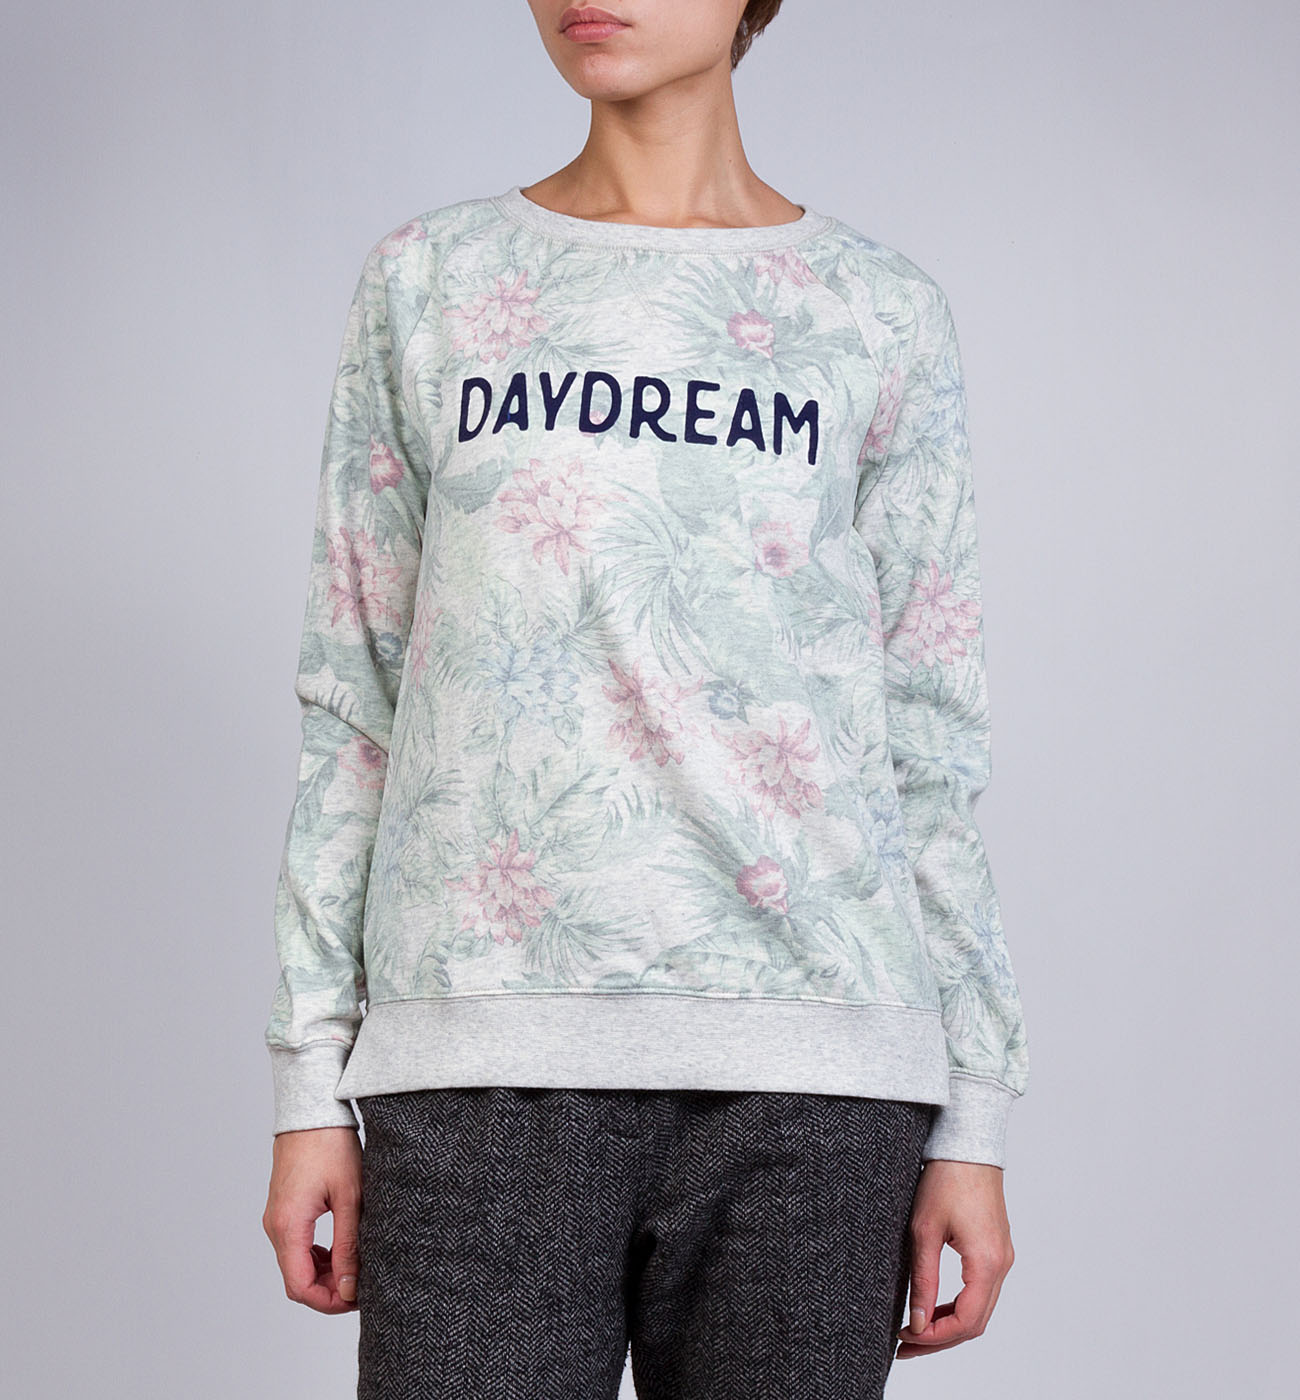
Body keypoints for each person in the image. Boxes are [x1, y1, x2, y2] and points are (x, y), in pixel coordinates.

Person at [260, 3, 1029, 1396]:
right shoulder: (431, 281)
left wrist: (972, 1116)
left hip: (815, 1076)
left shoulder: (877, 311)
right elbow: (355, 698)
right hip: (480, 1059)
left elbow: (926, 732)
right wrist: (310, 1077)